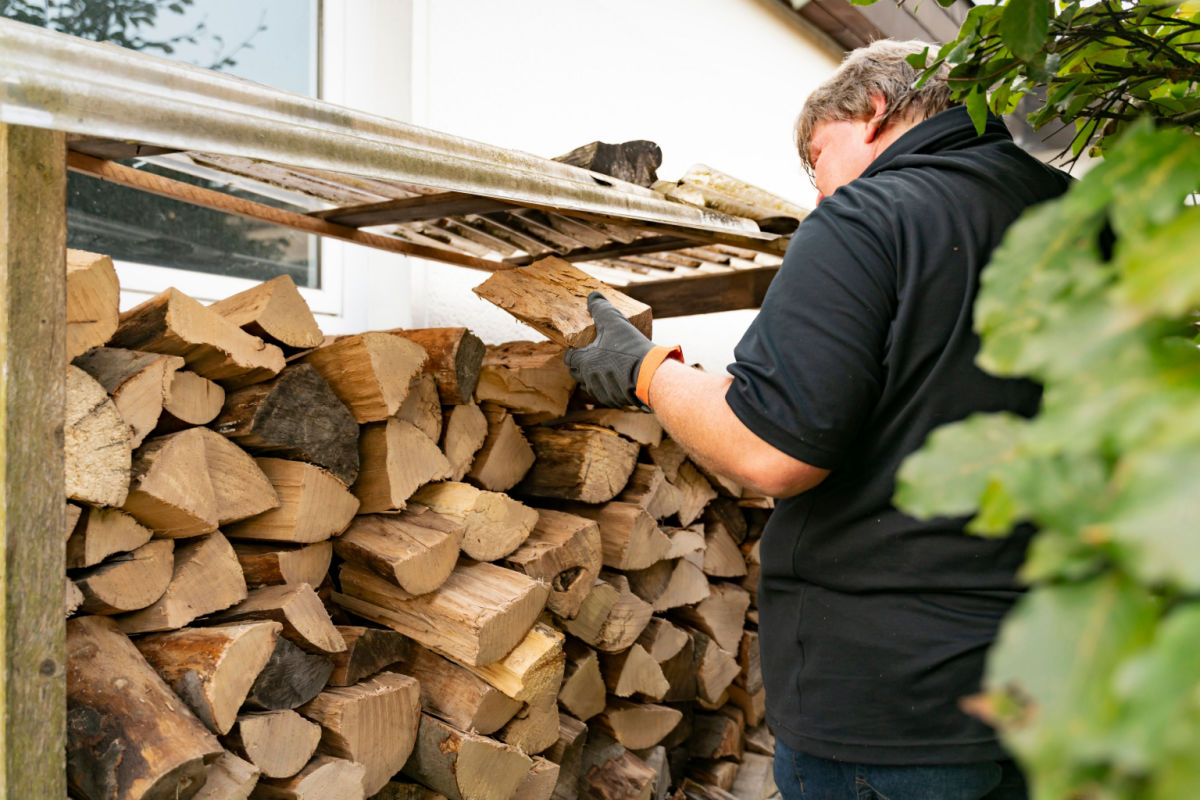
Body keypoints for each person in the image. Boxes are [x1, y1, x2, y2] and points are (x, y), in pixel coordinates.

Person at [564, 39, 1072, 800]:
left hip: (896, 714)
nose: (819, 193)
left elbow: (772, 447)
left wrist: (645, 372)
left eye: (817, 157)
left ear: (873, 112)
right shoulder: (1083, 217)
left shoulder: (872, 213)